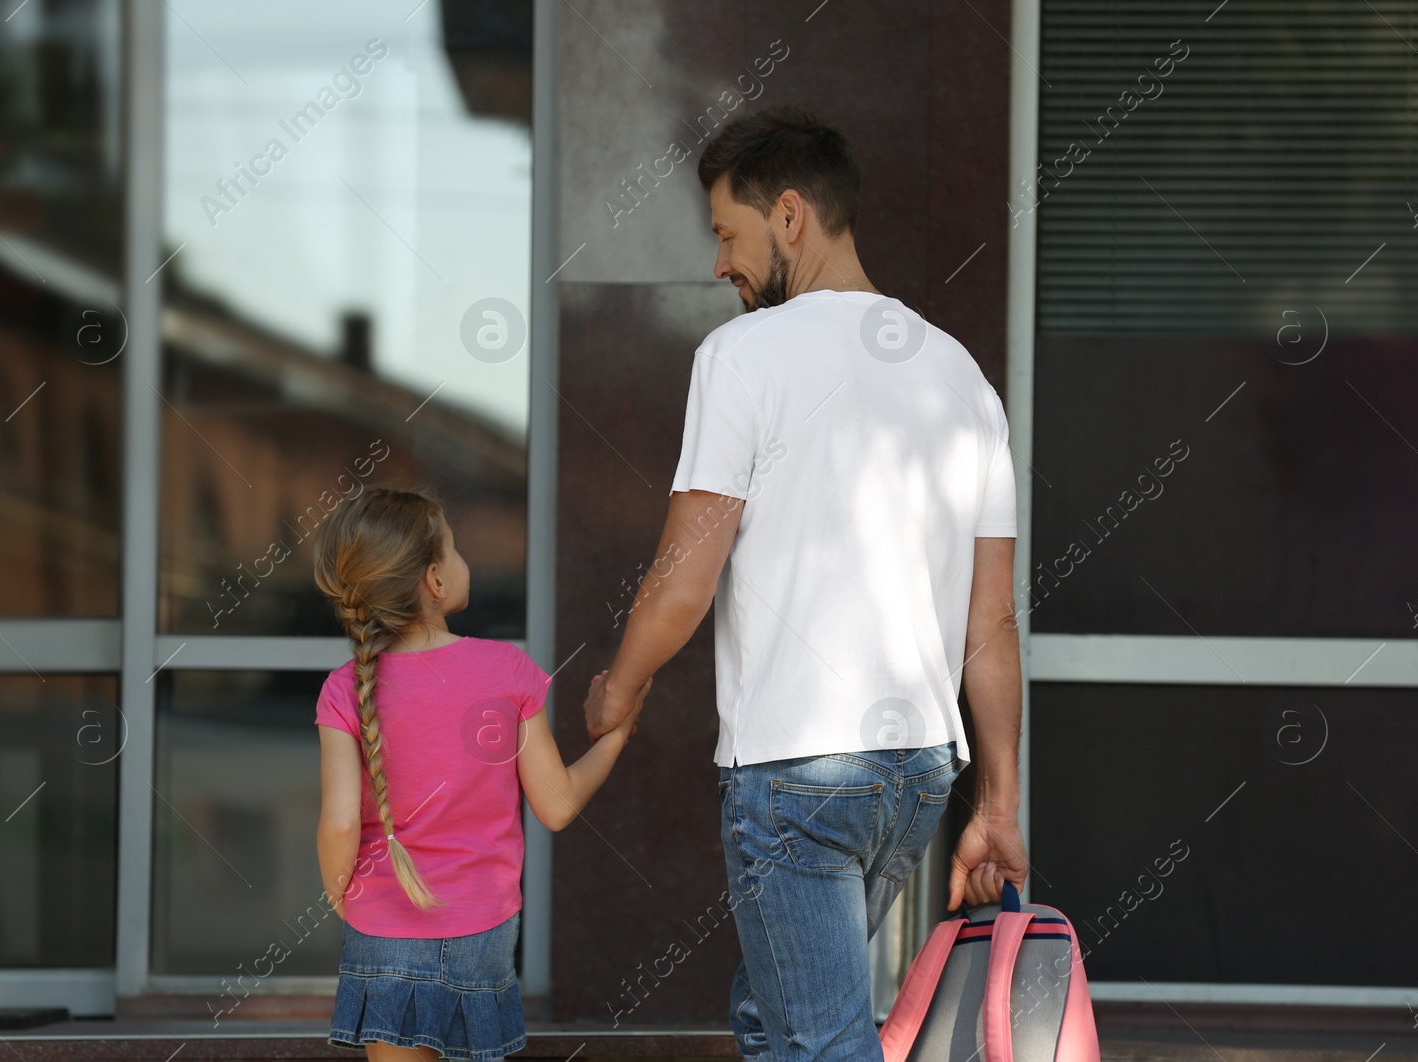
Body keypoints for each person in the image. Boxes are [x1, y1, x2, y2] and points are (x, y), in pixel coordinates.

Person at [583, 106, 1030, 1061]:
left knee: (820, 1047)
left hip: (801, 772)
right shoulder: (964, 381)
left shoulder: (743, 356)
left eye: (726, 235)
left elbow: (681, 582)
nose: (719, 267)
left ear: (790, 216)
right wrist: (996, 806)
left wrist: (615, 690)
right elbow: (989, 624)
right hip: (915, 772)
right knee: (772, 1014)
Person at [313, 485, 648, 1060]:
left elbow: (341, 822)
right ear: (436, 580)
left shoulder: (345, 687)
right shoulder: (506, 670)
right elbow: (557, 806)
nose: (466, 559)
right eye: (456, 547)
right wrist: (615, 737)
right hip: (482, 929)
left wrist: (340, 893)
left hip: (383, 924)